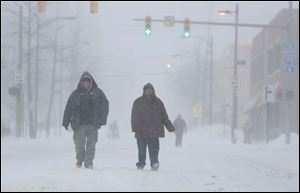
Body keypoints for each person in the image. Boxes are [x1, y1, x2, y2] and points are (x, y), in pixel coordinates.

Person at [63, 71, 109, 169]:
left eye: (88, 81)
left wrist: (102, 119)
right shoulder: (75, 94)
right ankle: (80, 160)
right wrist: (65, 121)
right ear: (81, 82)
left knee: (91, 144)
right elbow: (68, 108)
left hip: (93, 124)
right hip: (79, 124)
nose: (86, 83)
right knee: (79, 144)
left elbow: (105, 105)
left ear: (91, 82)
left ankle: (89, 162)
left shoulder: (98, 93)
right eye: (84, 82)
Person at [131, 83, 175, 171]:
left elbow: (164, 116)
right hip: (141, 131)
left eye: (150, 89)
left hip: (154, 131)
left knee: (154, 150)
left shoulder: (158, 102)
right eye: (147, 89)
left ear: (153, 90)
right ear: (144, 91)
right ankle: (141, 163)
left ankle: (154, 163)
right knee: (141, 150)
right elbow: (134, 116)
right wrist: (135, 127)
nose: (149, 90)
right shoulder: (138, 102)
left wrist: (170, 127)